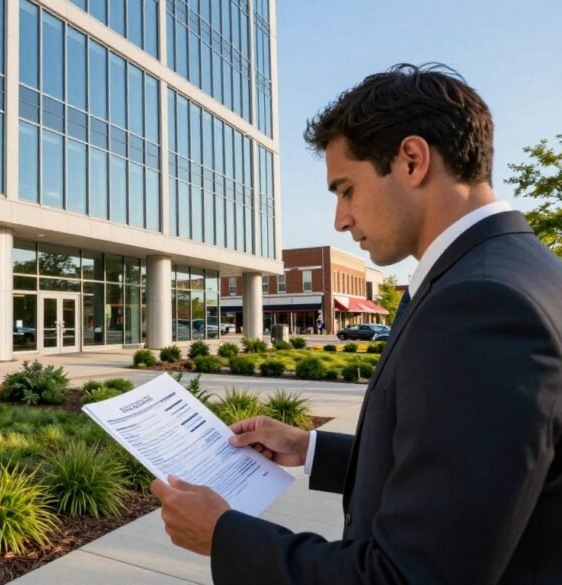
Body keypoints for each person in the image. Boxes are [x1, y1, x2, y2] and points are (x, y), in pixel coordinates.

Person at [151, 63, 562, 584]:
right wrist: (309, 448)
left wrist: (223, 535)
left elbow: (410, 575)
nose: (340, 220)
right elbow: (471, 472)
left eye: (345, 189)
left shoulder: (481, 305)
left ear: (412, 160)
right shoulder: (517, 271)